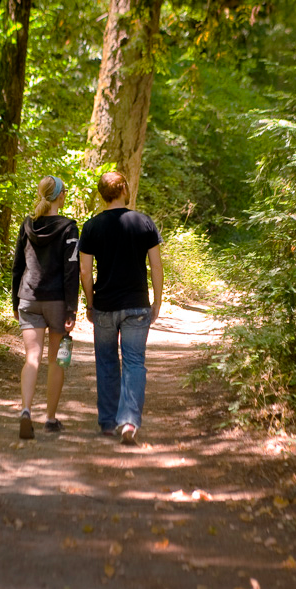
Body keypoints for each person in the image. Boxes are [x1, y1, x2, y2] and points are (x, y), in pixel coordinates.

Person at [78, 171, 163, 445]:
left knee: (106, 361)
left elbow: (85, 271)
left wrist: (90, 303)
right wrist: (157, 301)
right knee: (135, 362)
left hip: (104, 305)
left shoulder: (91, 227)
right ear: (124, 189)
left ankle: (106, 422)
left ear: (102, 194)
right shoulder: (144, 222)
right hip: (137, 305)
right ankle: (128, 422)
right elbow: (156, 267)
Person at [11, 175, 80, 439]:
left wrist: (15, 301)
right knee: (56, 361)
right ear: (61, 196)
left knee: (32, 358)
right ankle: (50, 418)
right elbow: (71, 271)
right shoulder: (69, 228)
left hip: (28, 298)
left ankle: (26, 411)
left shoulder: (27, 225)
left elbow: (18, 266)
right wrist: (71, 309)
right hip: (56, 302)